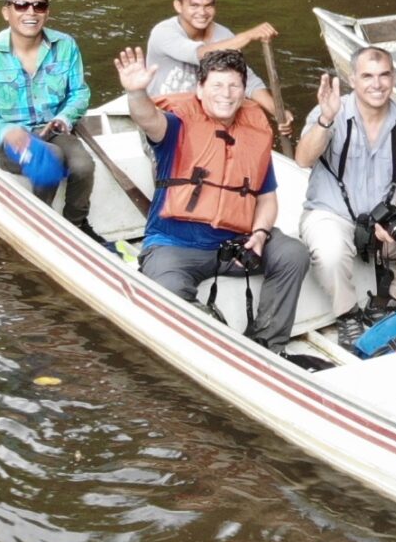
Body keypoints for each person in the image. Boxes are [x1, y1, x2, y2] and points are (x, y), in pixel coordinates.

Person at [115, 44, 312, 345]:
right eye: (217, 84)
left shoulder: (253, 135)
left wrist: (259, 233)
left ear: (244, 92)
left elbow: (266, 198)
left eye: (234, 85)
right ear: (200, 89)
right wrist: (136, 93)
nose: (226, 93)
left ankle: (268, 342)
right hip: (175, 246)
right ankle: (205, 332)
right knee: (167, 290)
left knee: (292, 254)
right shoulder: (176, 126)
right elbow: (147, 119)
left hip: (235, 245)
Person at [291, 45, 396, 323]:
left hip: (384, 219)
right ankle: (348, 315)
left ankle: (395, 303)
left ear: (394, 78)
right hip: (331, 213)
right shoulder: (331, 109)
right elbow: (302, 158)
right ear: (352, 79)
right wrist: (325, 120)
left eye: (384, 75)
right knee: (330, 252)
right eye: (367, 76)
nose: (377, 84)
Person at [0, 0, 98, 232]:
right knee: (51, 157)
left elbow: (79, 93)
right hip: (10, 139)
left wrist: (64, 118)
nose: (31, 12)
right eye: (21, 5)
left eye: (39, 6)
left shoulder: (65, 45)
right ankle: (40, 224)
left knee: (83, 165)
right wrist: (4, 131)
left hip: (52, 130)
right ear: (6, 12)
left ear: (47, 11)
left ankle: (77, 225)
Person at [144, 0, 282, 124]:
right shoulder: (163, 32)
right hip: (163, 114)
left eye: (208, 6)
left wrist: (277, 112)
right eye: (194, 6)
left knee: (252, 113)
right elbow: (200, 53)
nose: (202, 13)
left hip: (202, 113)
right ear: (178, 6)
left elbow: (247, 80)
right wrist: (247, 36)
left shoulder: (223, 36)